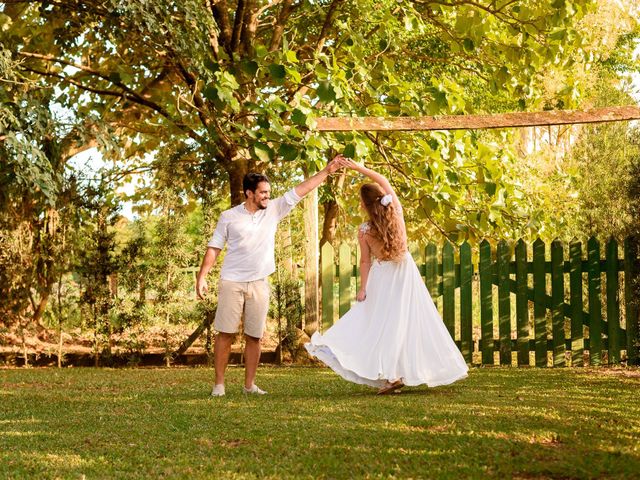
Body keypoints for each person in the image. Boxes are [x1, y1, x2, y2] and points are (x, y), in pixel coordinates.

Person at [305, 157, 468, 394]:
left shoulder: (364, 230)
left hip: (383, 276)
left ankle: (393, 375)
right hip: (405, 273)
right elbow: (382, 179)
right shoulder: (396, 211)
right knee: (402, 322)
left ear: (364, 205)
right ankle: (394, 375)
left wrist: (363, 288)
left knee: (382, 322)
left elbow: (365, 261)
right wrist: (359, 167)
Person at [197, 157, 342, 397]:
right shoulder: (229, 217)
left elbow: (301, 190)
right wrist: (202, 276)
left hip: (259, 282)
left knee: (255, 335)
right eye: (263, 192)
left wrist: (327, 171)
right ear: (249, 193)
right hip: (232, 281)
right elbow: (214, 247)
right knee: (225, 333)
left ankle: (249, 386)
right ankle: (219, 385)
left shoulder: (273, 210)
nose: (267, 196)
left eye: (268, 192)